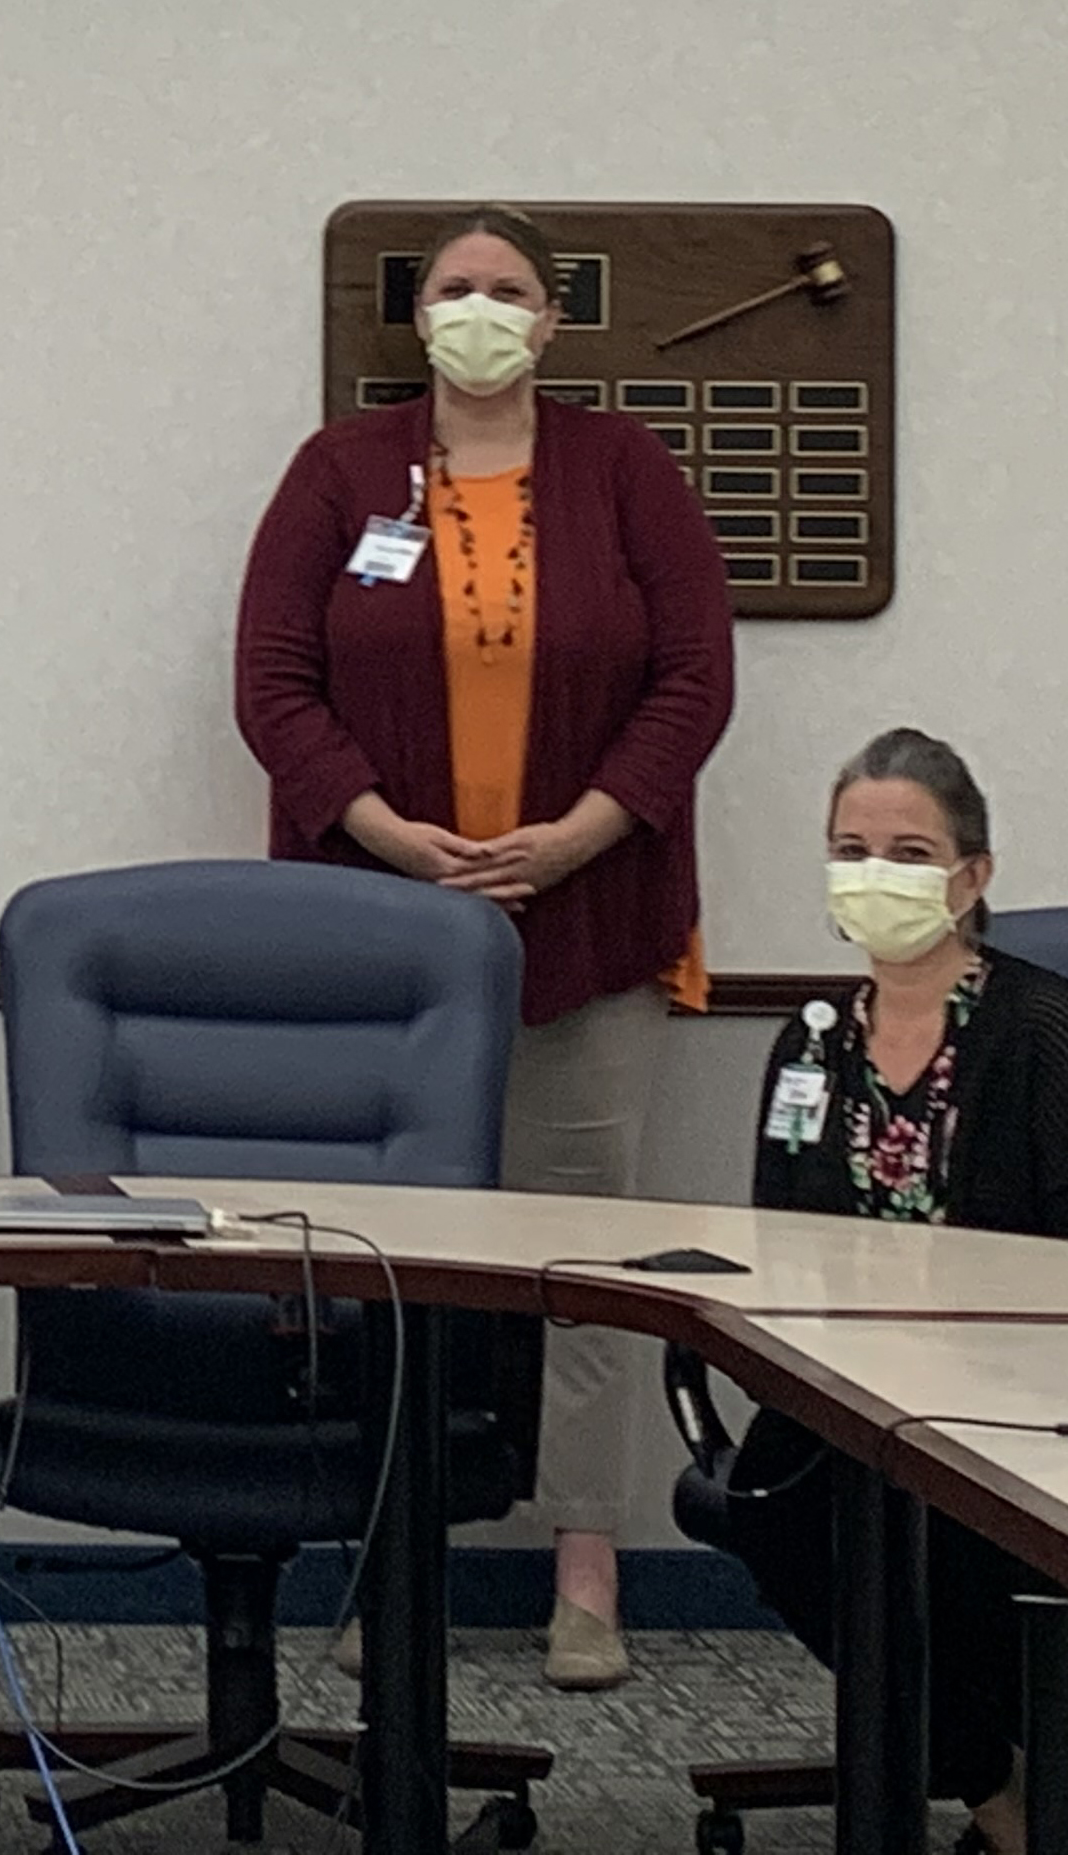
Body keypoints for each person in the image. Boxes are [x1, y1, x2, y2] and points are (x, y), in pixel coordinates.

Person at [232, 204, 735, 1688]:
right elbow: (272, 687)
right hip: (380, 943)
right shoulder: (340, 474)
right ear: (419, 320)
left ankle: (588, 1573)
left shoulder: (626, 469)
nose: (478, 310)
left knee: (585, 1260)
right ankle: (386, 1558)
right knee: (382, 1263)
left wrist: (581, 833)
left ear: (551, 323)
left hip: (590, 923)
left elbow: (695, 682)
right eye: (454, 288)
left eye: (506, 290)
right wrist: (394, 839)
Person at [725, 729, 1068, 1855]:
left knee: (956, 1539)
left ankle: (1061, 1789)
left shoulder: (1046, 1032)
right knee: (768, 1504)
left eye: (909, 850)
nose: (876, 874)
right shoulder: (813, 1042)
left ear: (973, 875)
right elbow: (778, 1233)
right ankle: (1009, 1788)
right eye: (850, 849)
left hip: (1026, 1398)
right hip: (851, 1392)